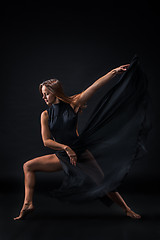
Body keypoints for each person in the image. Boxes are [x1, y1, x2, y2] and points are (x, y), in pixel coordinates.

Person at [14, 57, 150, 220]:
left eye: (46, 94)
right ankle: (28, 204)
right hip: (65, 154)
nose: (44, 97)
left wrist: (114, 72)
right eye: (42, 94)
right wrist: (66, 148)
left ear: (55, 92)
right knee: (28, 166)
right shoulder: (45, 115)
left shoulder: (73, 103)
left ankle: (127, 209)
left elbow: (94, 87)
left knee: (103, 182)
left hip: (81, 152)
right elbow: (46, 141)